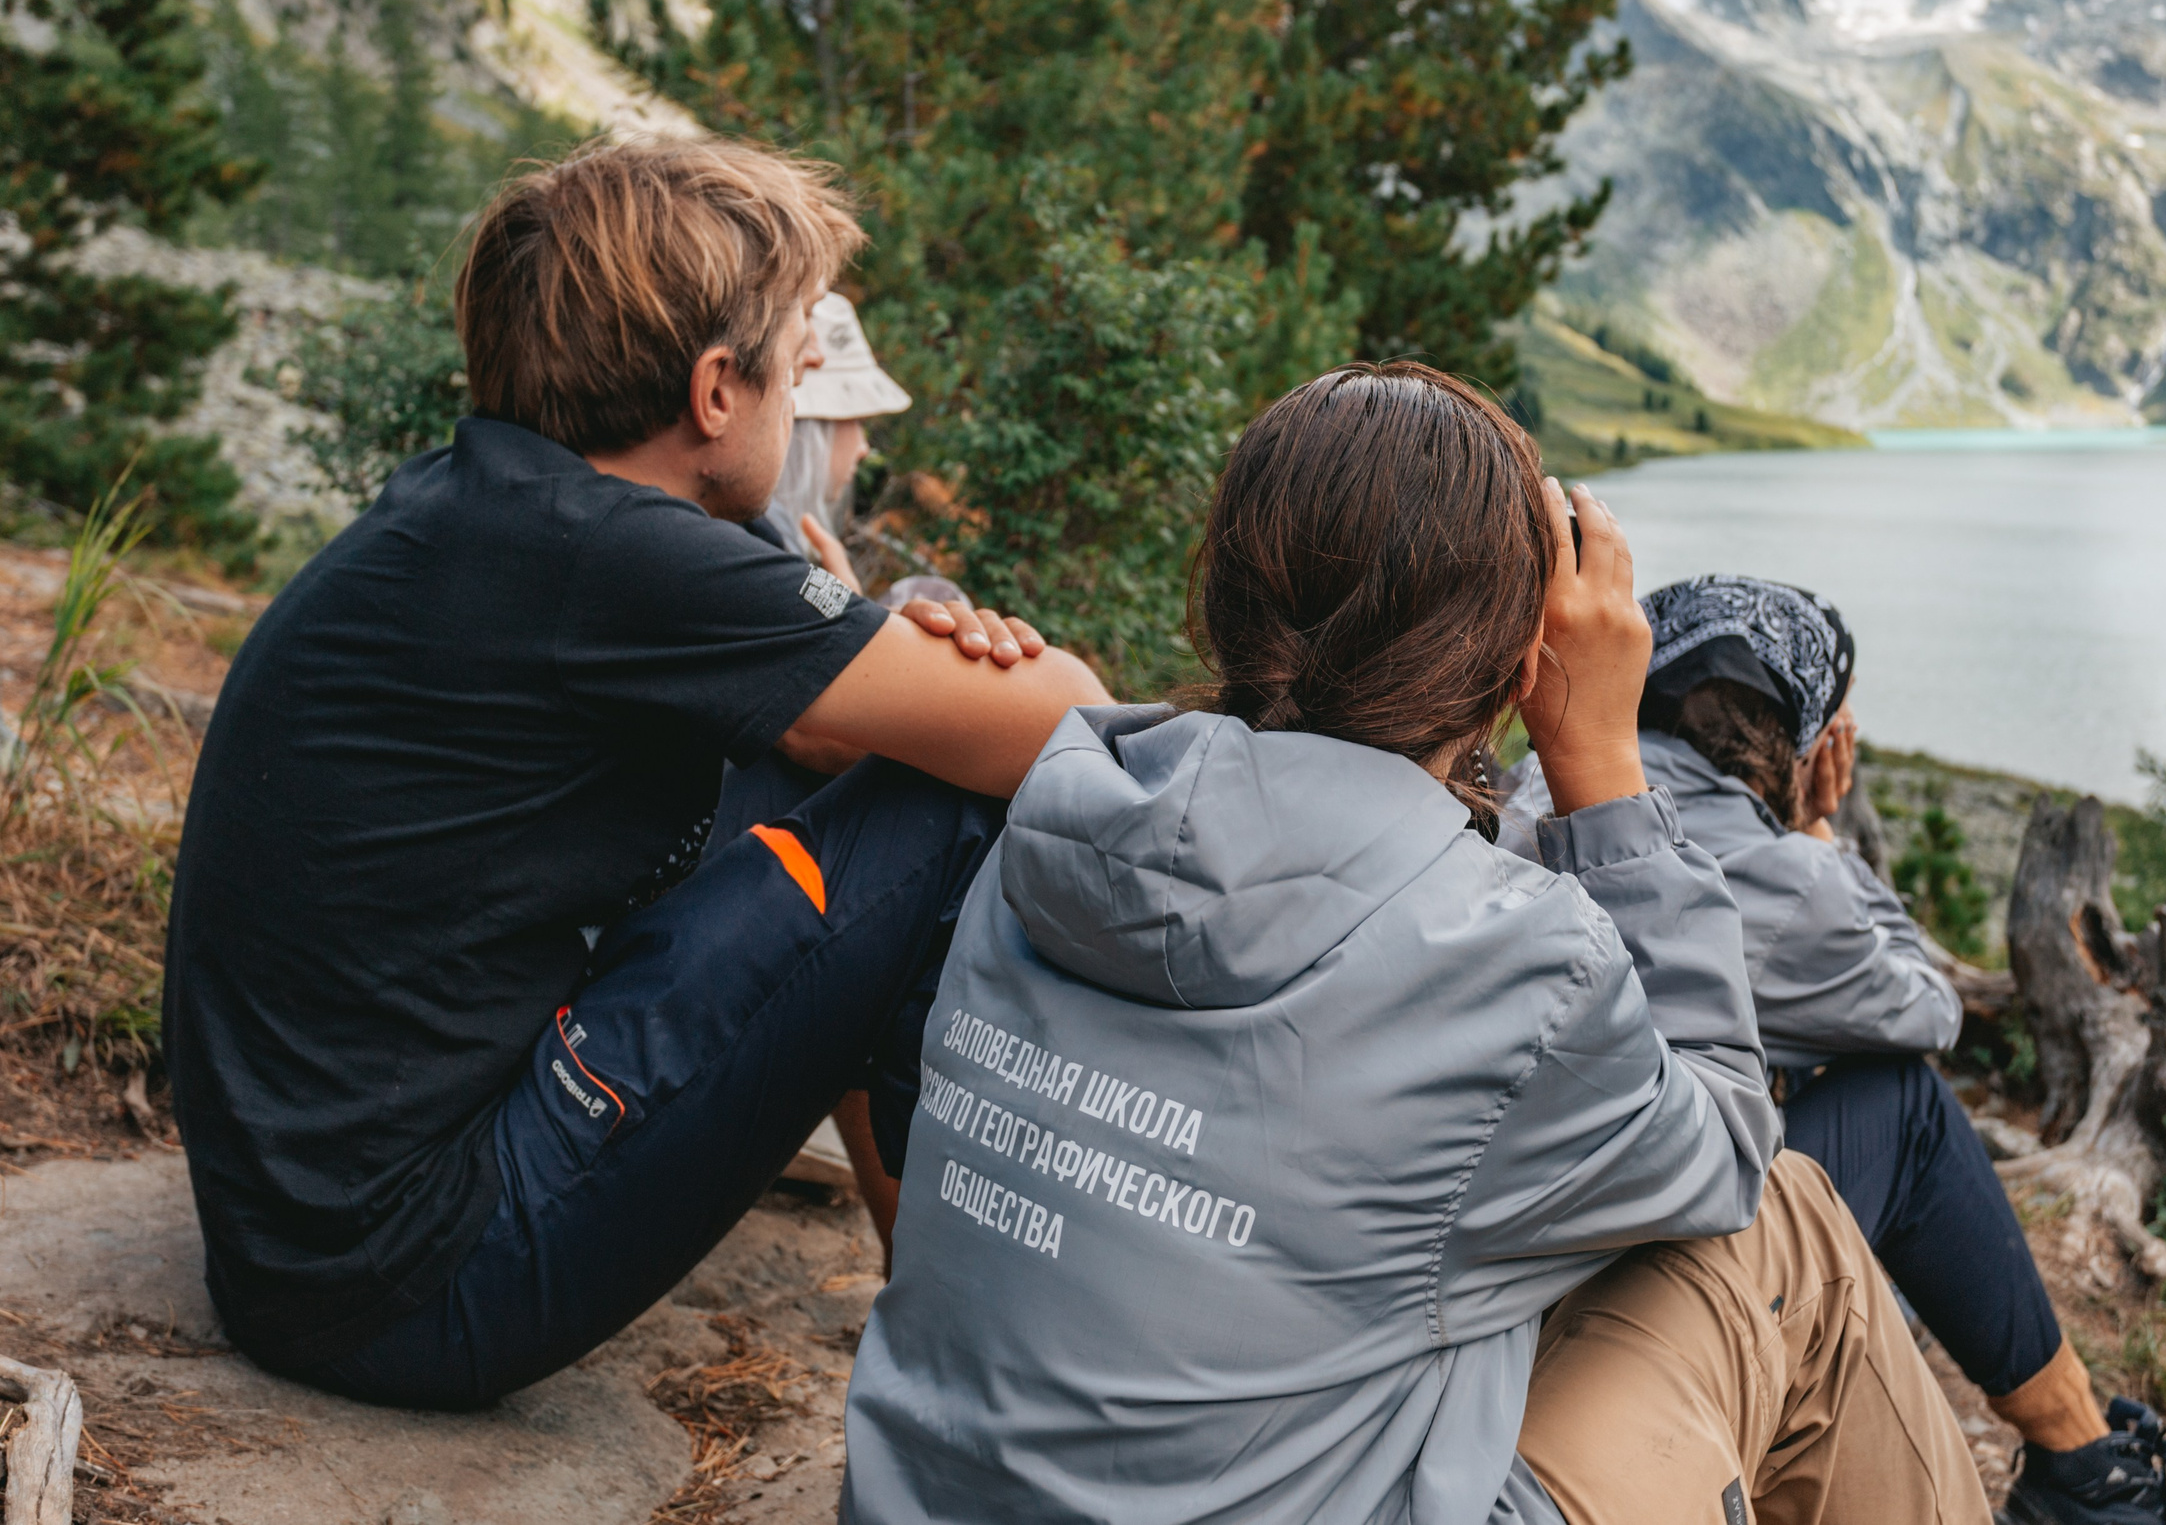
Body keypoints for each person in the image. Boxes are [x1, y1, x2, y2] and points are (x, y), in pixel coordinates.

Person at [840, 365, 1992, 1525]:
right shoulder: (1506, 960)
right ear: (1515, 661)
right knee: (1787, 1222)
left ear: (1227, 594)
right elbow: (1725, 1146)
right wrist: (1600, 764)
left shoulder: (1046, 826)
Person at [162, 138, 1110, 1409]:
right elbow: (1069, 728)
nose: (806, 377)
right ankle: (976, 1379)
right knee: (934, 813)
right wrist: (983, 667)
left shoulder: (498, 511)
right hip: (414, 1283)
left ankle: (929, 1320)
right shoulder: (613, 556)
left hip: (307, 1246)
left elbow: (824, 742)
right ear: (716, 391)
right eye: (796, 352)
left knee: (845, 797)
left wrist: (896, 667)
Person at [1505, 574, 2166, 1525]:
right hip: (1626, 1277)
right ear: (1803, 736)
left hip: (1526, 1243)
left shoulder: (1527, 786)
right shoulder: (1786, 878)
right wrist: (1823, 832)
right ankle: (2087, 1468)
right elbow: (1927, 1009)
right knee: (1902, 1103)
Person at [754, 290, 908, 565]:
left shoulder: (766, 534)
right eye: (856, 420)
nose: (863, 448)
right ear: (813, 427)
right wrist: (841, 602)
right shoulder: (760, 540)